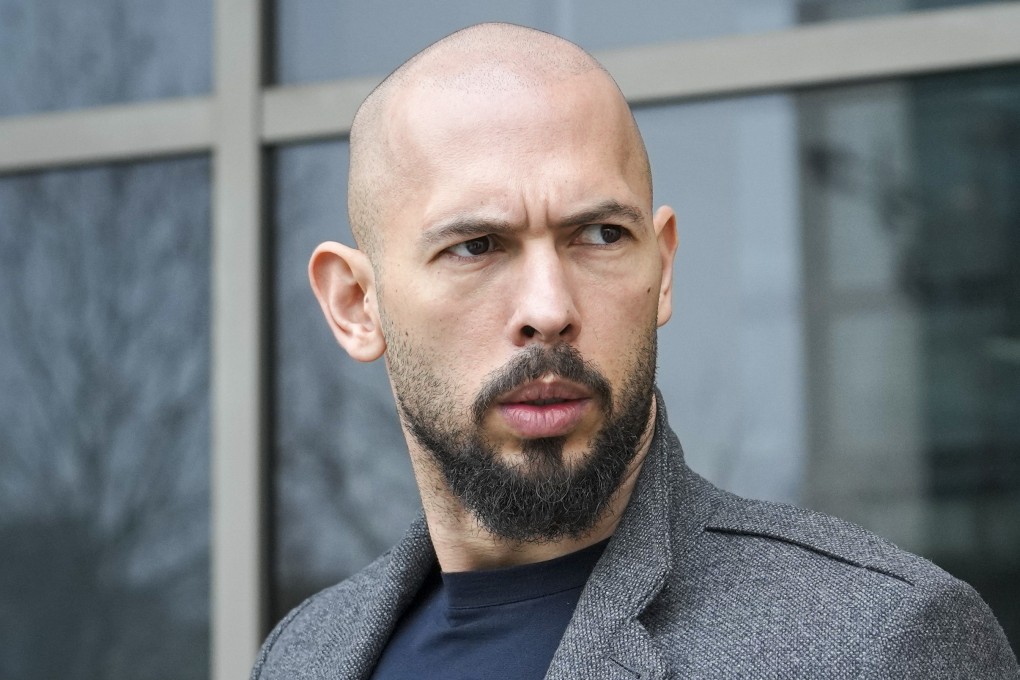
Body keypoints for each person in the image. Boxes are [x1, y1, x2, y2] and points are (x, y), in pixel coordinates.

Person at [252, 22, 1018, 680]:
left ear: (662, 268)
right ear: (357, 305)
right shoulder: (302, 655)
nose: (548, 310)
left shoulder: (877, 641)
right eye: (477, 246)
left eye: (599, 235)